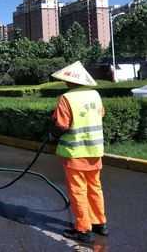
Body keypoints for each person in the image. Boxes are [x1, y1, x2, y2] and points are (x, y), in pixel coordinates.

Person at [51, 61, 108, 243]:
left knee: (78, 191)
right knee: (95, 187)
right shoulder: (95, 95)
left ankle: (83, 229)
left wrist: (52, 133)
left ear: (70, 81)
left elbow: (62, 125)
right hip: (95, 150)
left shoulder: (66, 99)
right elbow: (101, 114)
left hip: (75, 151)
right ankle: (100, 223)